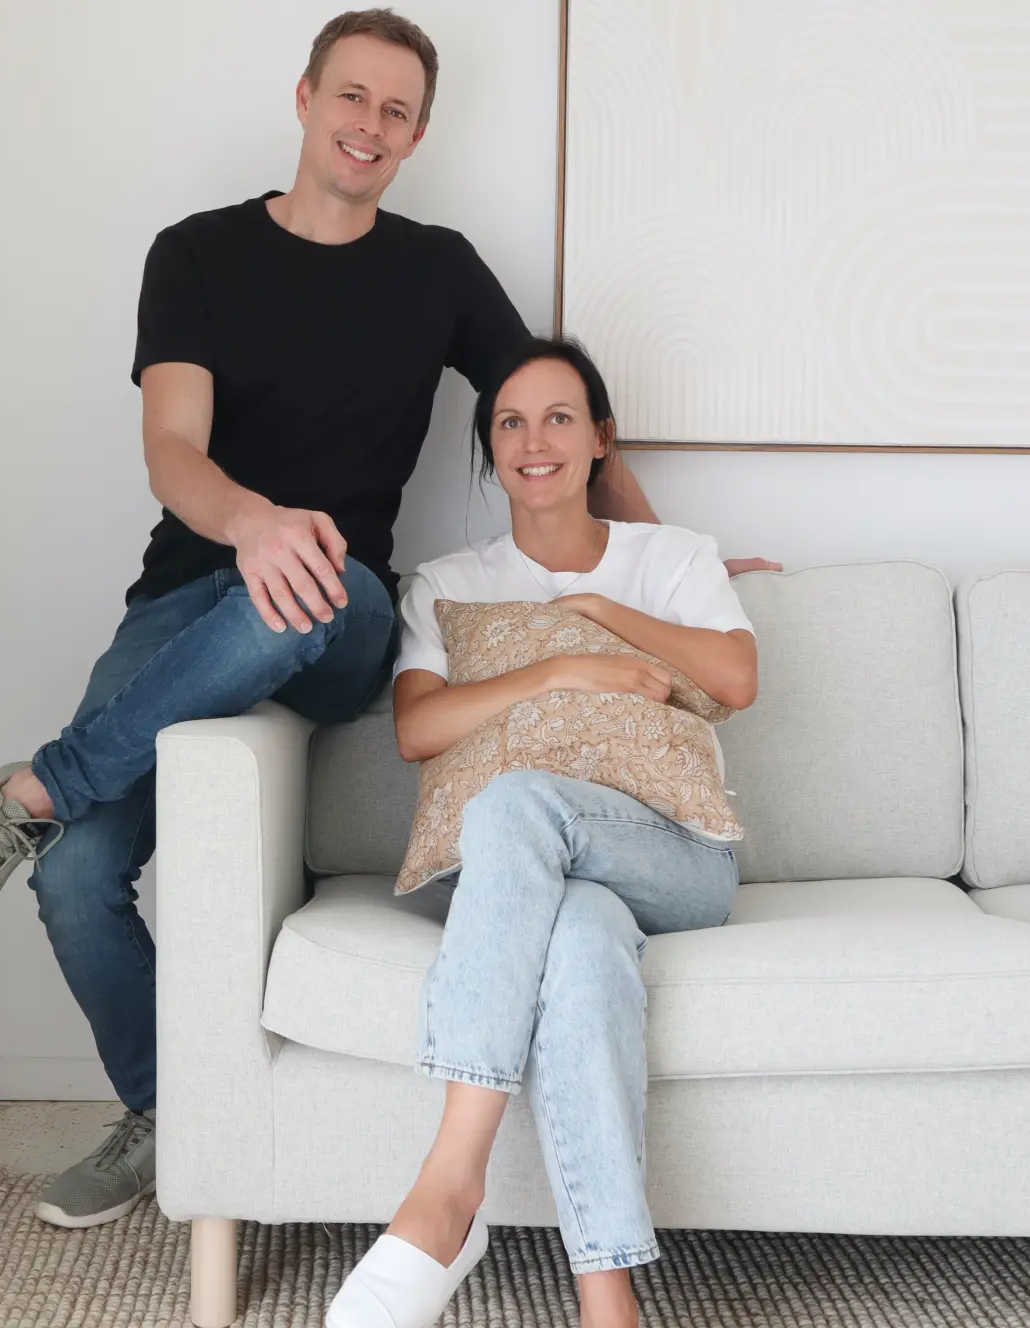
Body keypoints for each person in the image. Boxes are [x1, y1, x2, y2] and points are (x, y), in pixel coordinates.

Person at [0, 10, 777, 1231]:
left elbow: (554, 418)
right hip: (189, 593)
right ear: (304, 99)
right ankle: (164, 1108)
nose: (370, 125)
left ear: (416, 137)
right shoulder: (194, 253)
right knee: (78, 875)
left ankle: (31, 789)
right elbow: (170, 450)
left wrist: (663, 561)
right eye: (351, 96)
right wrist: (250, 523)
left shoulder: (437, 269)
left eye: (396, 111)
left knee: (308, 585)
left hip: (337, 612)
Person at [325, 337, 759, 1328]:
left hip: (674, 856)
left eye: (559, 417)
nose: (534, 441)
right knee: (580, 935)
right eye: (510, 422)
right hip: (526, 874)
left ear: (600, 437)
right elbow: (416, 729)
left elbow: (736, 678)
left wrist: (598, 610)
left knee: (516, 801)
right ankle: (608, 1296)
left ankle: (448, 1186)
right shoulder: (449, 580)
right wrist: (559, 669)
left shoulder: (673, 558)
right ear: (489, 446)